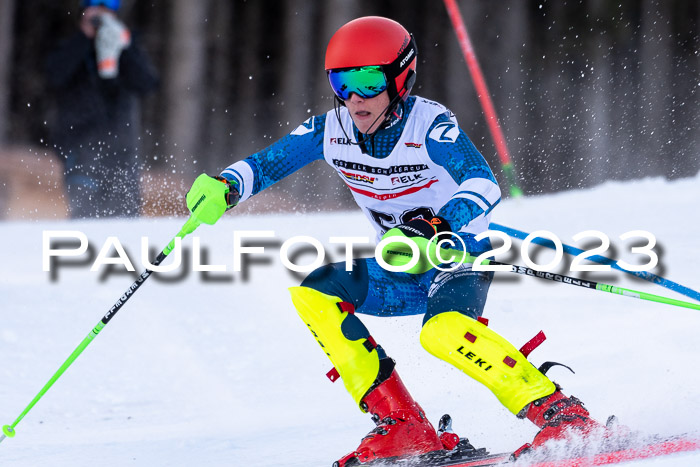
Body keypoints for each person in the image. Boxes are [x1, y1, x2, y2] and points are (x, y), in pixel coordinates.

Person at [186, 16, 609, 466]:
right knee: (316, 292)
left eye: (368, 82)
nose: (354, 98)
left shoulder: (430, 125)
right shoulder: (331, 129)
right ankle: (404, 426)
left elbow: (483, 182)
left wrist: (442, 223)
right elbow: (267, 164)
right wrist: (226, 186)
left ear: (400, 79)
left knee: (442, 332)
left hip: (457, 255)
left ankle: (564, 416)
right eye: (341, 82)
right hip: (402, 265)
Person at [46, 0, 158, 218]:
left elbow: (148, 83)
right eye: (94, 7)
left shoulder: (127, 46)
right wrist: (84, 38)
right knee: (85, 216)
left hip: (122, 152)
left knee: (126, 219)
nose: (101, 15)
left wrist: (122, 47)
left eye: (107, 9)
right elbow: (54, 74)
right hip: (81, 150)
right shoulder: (69, 47)